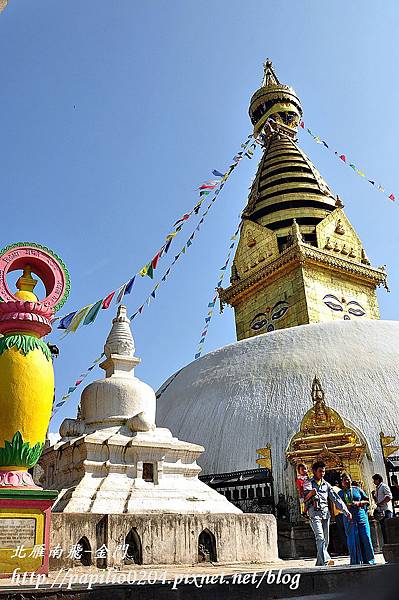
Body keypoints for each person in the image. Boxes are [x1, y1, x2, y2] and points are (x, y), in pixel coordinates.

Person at [304, 461, 352, 566]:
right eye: (320, 471)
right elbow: (304, 498)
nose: (322, 473)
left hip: (325, 513)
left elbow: (335, 498)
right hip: (314, 513)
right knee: (320, 537)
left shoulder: (326, 484)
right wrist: (311, 494)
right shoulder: (308, 483)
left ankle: (319, 562)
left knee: (325, 539)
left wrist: (345, 511)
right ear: (314, 471)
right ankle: (326, 560)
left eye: (323, 471)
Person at [338, 473, 375, 565]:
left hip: (361, 515)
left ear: (351, 480)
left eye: (348, 479)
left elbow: (367, 500)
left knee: (366, 536)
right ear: (342, 482)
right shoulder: (340, 493)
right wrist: (345, 506)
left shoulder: (357, 489)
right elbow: (337, 506)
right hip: (349, 518)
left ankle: (370, 560)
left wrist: (360, 503)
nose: (347, 481)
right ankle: (355, 561)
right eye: (344, 480)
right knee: (352, 539)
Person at [372, 473, 393, 542]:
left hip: (386, 510)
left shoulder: (384, 486)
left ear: (378, 480)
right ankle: (386, 543)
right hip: (381, 511)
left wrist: (381, 504)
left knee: (388, 528)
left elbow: (389, 497)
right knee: (383, 529)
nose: (374, 482)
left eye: (374, 480)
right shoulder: (378, 488)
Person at [331, 478, 348, 555]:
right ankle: (348, 548)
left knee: (342, 533)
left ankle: (345, 548)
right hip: (344, 513)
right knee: (346, 531)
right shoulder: (341, 490)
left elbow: (332, 503)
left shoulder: (332, 490)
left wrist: (332, 515)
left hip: (338, 514)